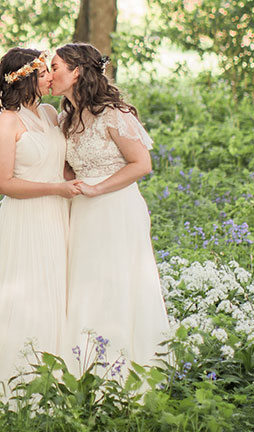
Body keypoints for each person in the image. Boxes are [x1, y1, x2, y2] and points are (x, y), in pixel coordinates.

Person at [48, 42, 172, 382]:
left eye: (55, 66)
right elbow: (71, 169)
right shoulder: (66, 118)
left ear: (76, 72)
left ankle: (122, 373)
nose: (49, 73)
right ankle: (87, 366)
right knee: (86, 285)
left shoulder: (113, 113)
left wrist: (98, 188)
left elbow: (141, 164)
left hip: (116, 207)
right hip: (83, 211)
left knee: (115, 284)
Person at [0, 47, 82, 398]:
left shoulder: (50, 114)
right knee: (27, 294)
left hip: (58, 216)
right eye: (45, 71)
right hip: (25, 220)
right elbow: (2, 183)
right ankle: (14, 383)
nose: (51, 76)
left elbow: (63, 161)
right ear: (27, 78)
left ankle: (55, 375)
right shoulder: (7, 122)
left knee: (56, 292)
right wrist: (56, 188)